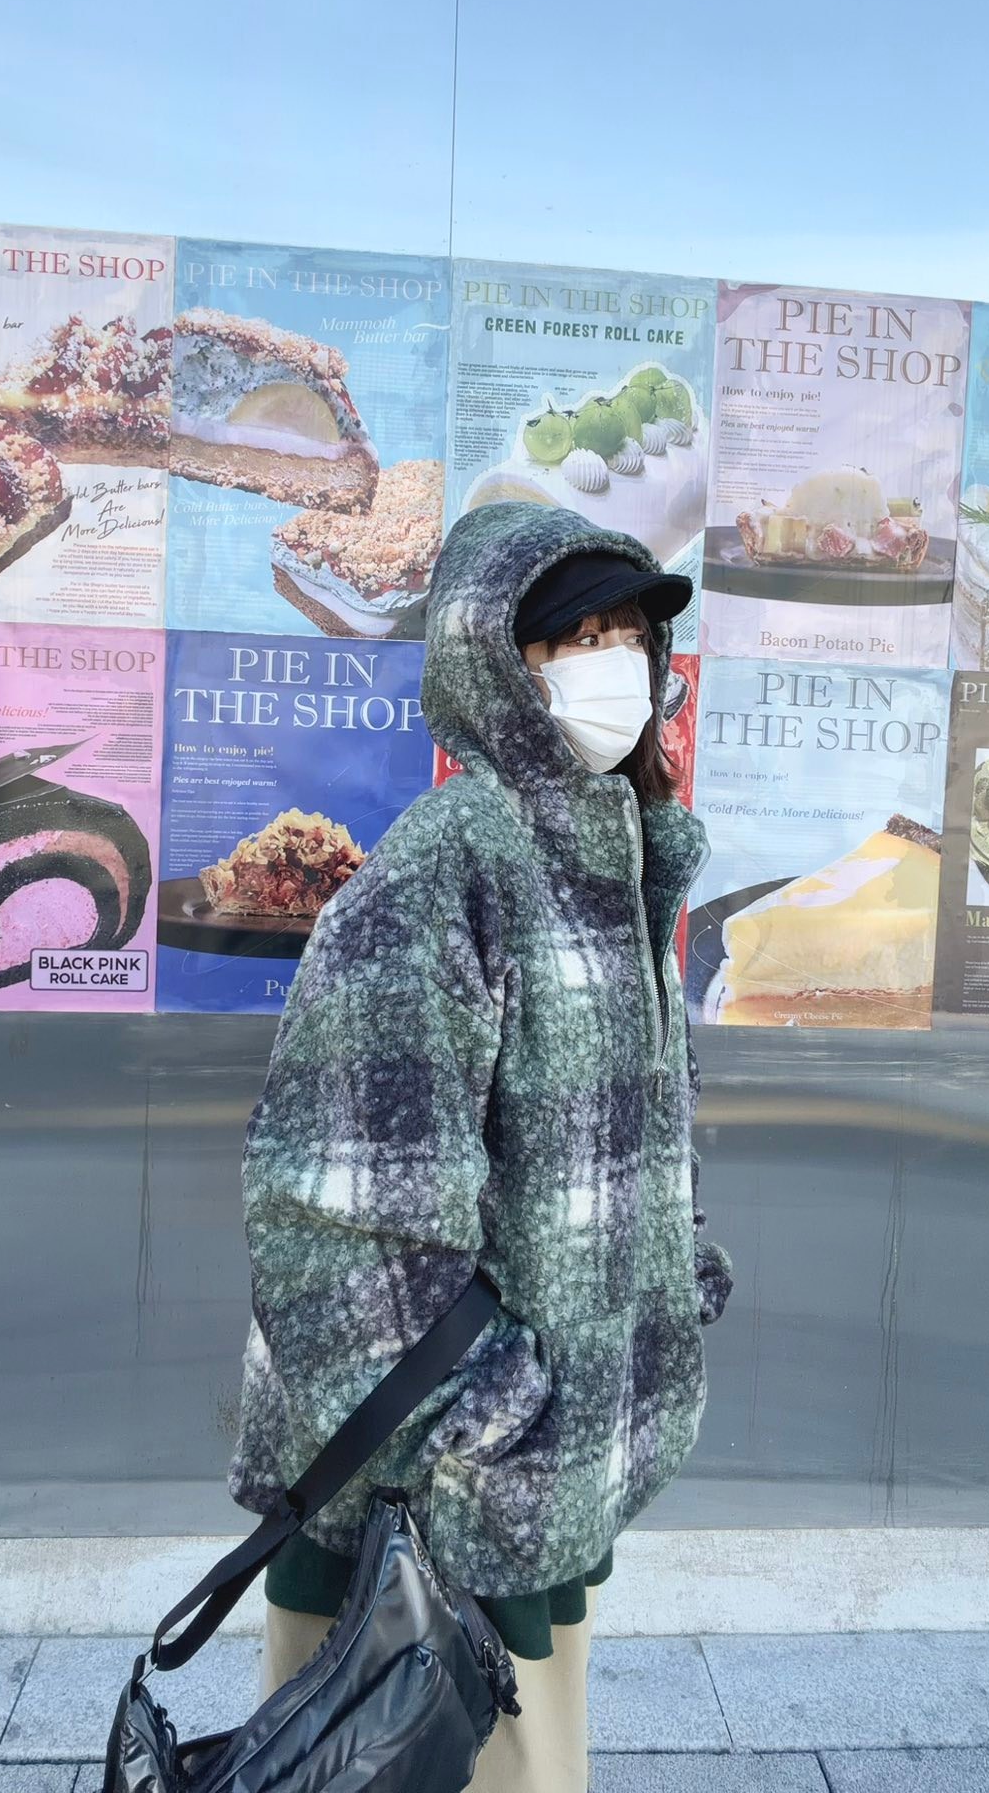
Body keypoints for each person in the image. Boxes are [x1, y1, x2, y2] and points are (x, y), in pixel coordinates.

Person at [231, 501, 735, 1793]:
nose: (614, 662)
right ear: (491, 662)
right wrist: (494, 1424)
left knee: (532, 1756)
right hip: (431, 1483)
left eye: (628, 633)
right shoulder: (445, 870)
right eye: (573, 637)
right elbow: (341, 1211)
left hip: (535, 1462)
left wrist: (662, 1274)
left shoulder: (609, 854)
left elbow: (619, 1128)